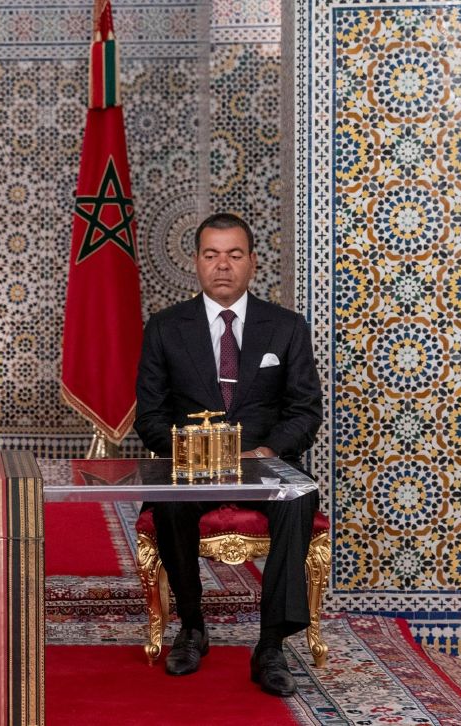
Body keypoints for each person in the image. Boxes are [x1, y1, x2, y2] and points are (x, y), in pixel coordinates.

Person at [133, 212, 321, 697]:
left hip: (264, 464)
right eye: (212, 255)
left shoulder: (287, 327)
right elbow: (149, 416)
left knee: (300, 497)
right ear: (196, 262)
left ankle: (272, 645)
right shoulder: (165, 328)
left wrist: (268, 451)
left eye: (234, 255)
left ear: (253, 262)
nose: (223, 265)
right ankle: (192, 627)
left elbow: (305, 410)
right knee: (169, 500)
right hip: (192, 467)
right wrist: (194, 453)